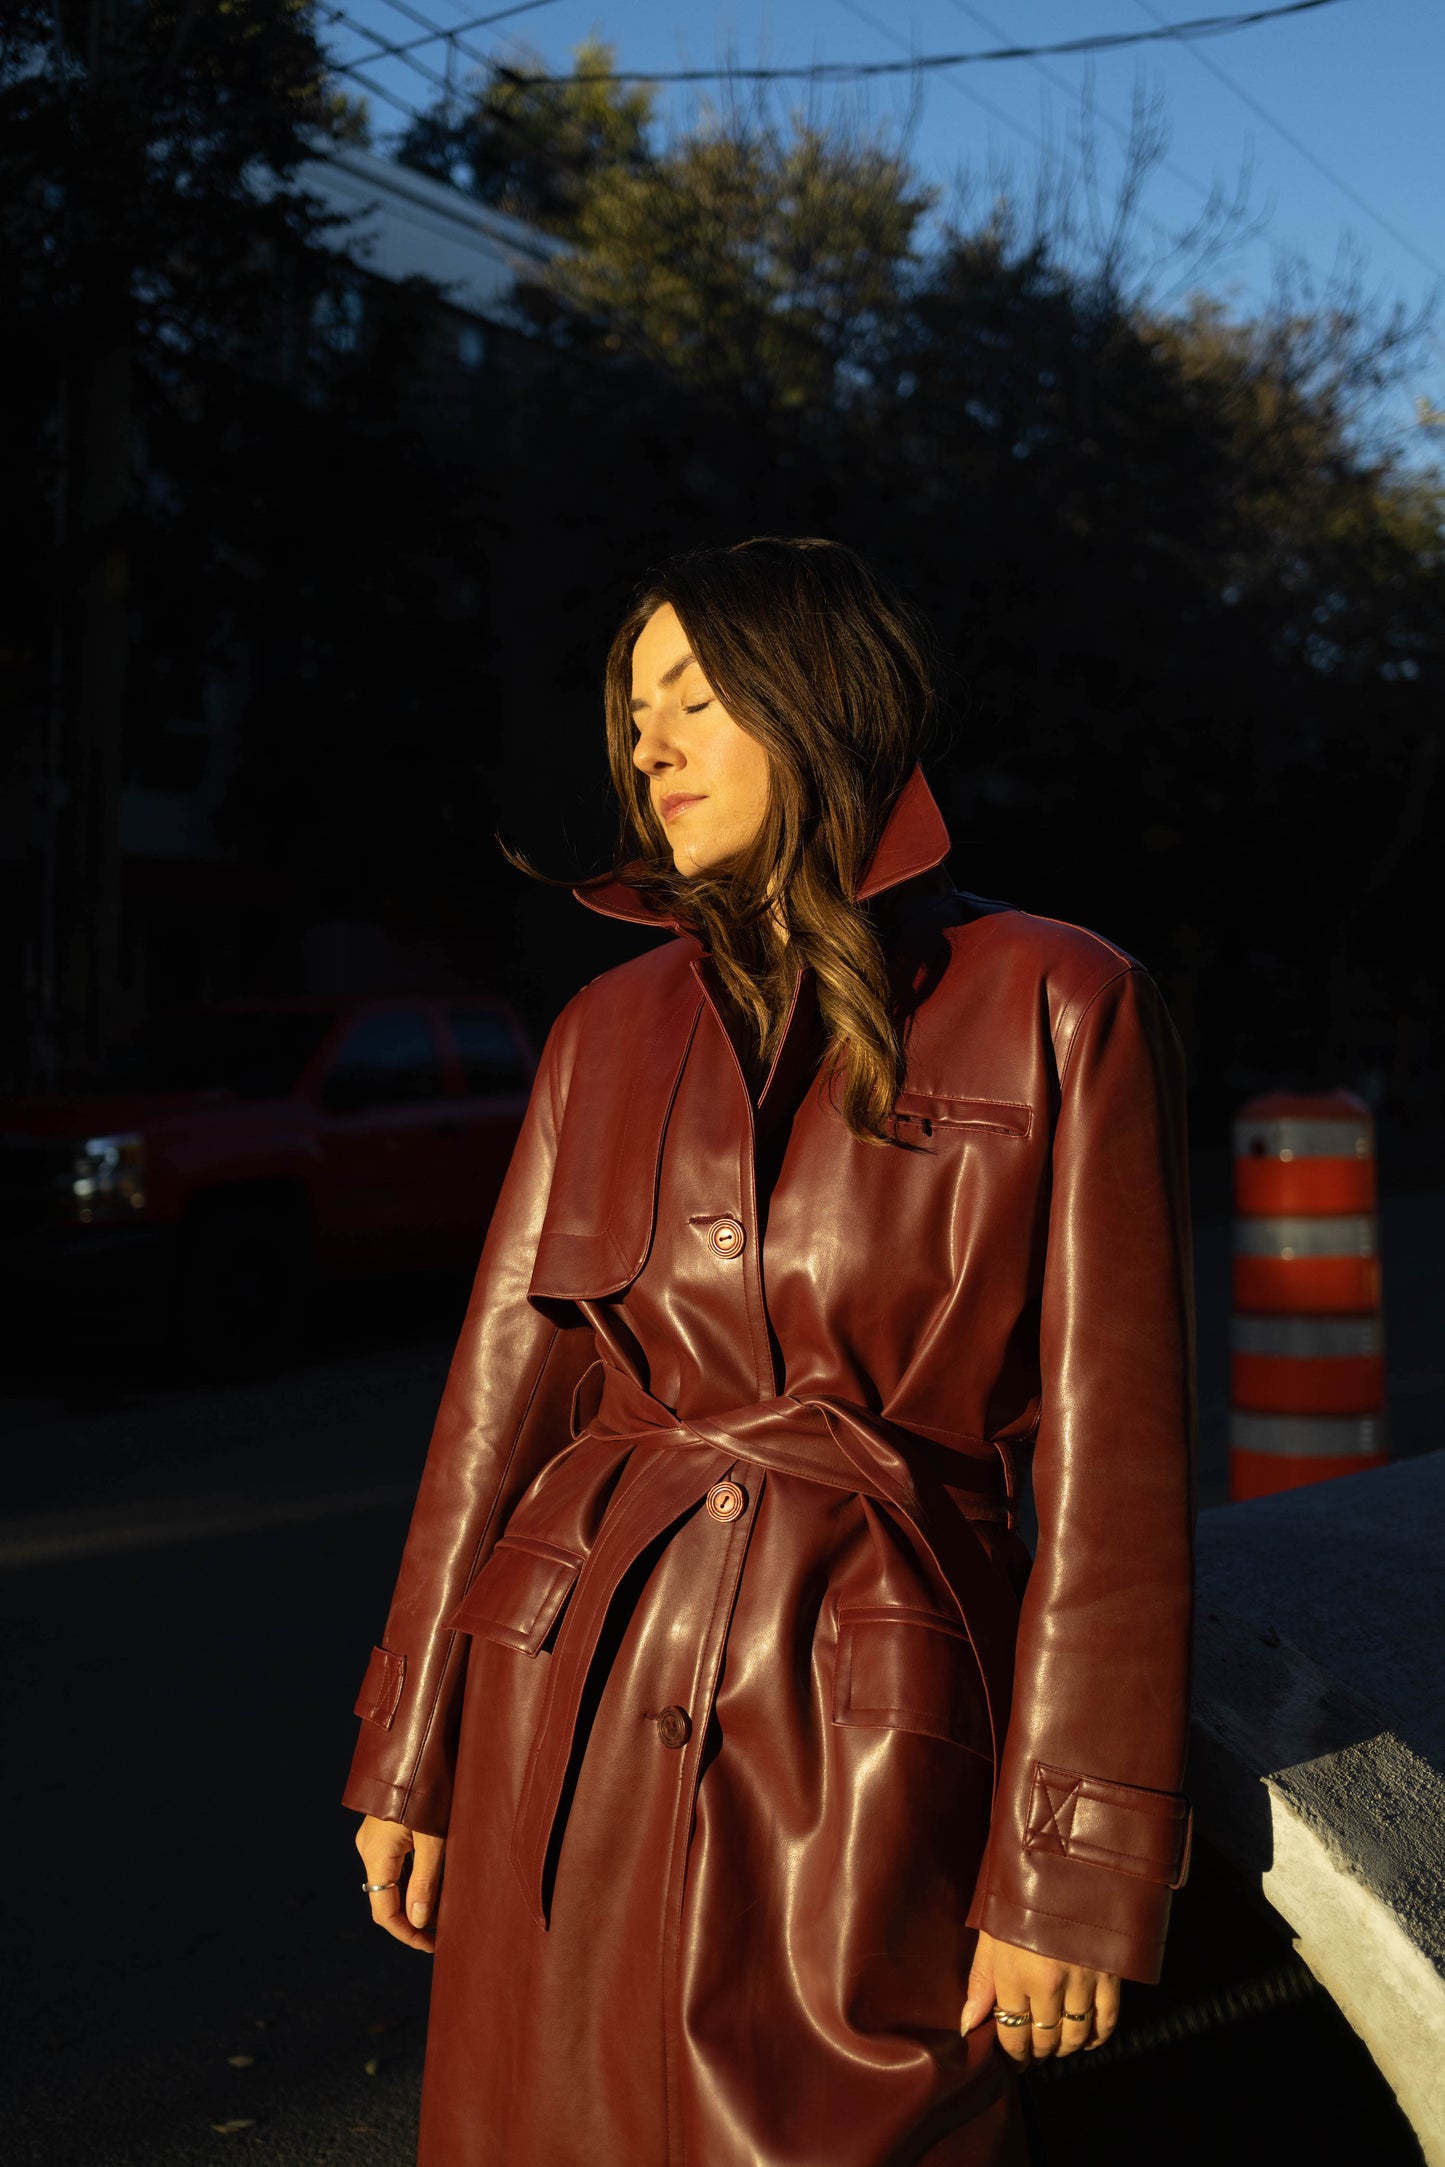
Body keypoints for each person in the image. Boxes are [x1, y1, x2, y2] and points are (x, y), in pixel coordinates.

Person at [344, 536, 1196, 2167]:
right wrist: (412, 1745)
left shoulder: (1058, 1000)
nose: (645, 746)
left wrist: (1069, 1867)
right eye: (631, 710)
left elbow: (1114, 1475)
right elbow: (495, 1415)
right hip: (563, 1708)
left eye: (693, 697)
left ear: (819, 707)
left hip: (861, 1730)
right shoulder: (606, 1030)